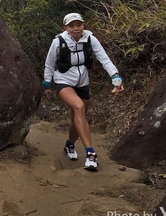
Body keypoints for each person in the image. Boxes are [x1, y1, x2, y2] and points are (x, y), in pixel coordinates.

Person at [42, 13, 124, 171]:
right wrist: (47, 84)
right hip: (64, 81)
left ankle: (69, 144)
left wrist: (115, 76)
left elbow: (104, 58)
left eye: (78, 25)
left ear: (83, 25)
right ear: (65, 27)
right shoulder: (58, 41)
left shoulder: (90, 39)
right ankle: (91, 154)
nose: (76, 29)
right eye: (71, 26)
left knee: (78, 118)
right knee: (79, 107)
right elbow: (50, 64)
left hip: (83, 83)